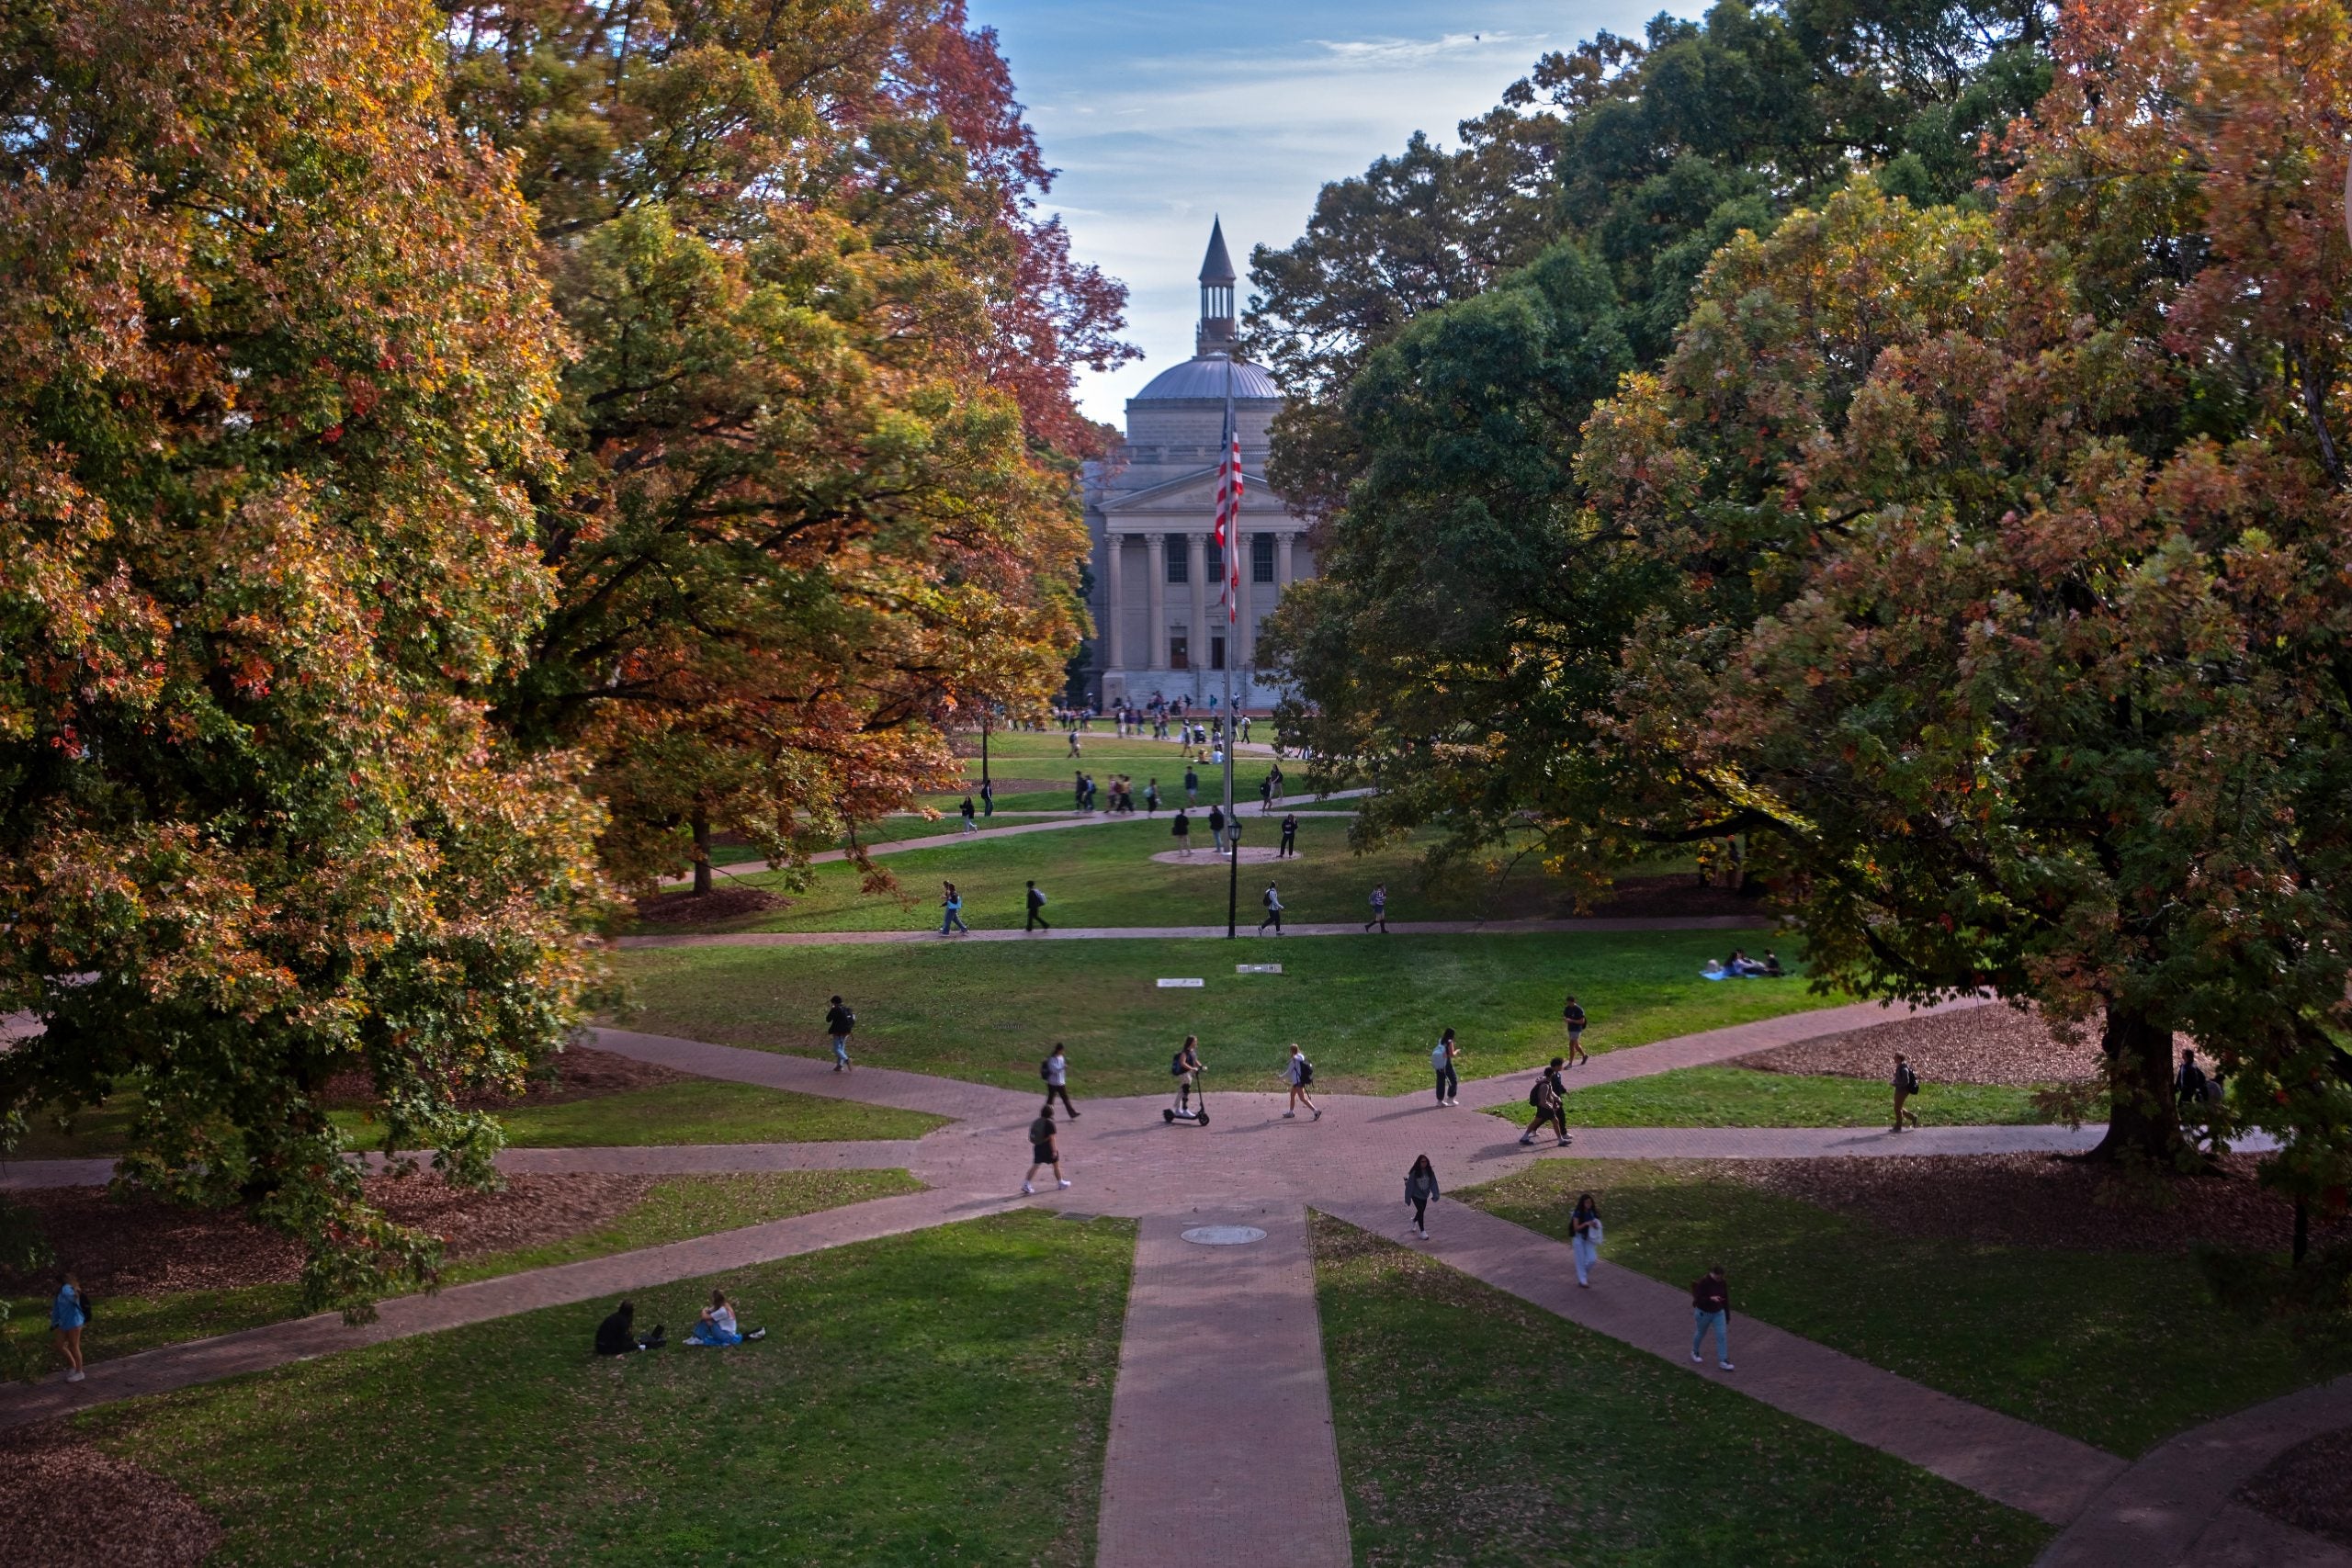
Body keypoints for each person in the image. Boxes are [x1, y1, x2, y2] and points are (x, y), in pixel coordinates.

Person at [686, 1288, 765, 1347]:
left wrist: (703, 1310)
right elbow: (710, 1310)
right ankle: (696, 1337)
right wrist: (708, 1311)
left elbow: (704, 1316)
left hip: (727, 1336)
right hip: (725, 1332)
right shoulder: (724, 1305)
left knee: (707, 1320)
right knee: (708, 1319)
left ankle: (697, 1338)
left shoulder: (722, 1311)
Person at [1520, 1059, 1571, 1146]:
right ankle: (1561, 1140)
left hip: (1544, 1107)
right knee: (1555, 1121)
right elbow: (1543, 1101)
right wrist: (1551, 1107)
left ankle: (1525, 1137)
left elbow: (1551, 1093)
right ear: (1551, 1075)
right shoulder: (1545, 1086)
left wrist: (1557, 1098)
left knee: (1537, 1121)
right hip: (1545, 1107)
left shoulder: (1547, 1083)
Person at [1023, 1103, 1071, 1194]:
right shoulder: (1050, 1123)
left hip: (1038, 1146)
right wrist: (1054, 1151)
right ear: (1051, 1113)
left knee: (1035, 1165)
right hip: (1048, 1147)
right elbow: (1052, 1138)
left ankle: (1026, 1183)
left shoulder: (1037, 1121)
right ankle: (1060, 1182)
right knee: (1056, 1165)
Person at [1691, 1265, 1733, 1370]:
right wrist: (1710, 1299)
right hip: (1704, 1313)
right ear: (1713, 1274)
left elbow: (1725, 1299)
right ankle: (1695, 1351)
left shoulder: (1722, 1283)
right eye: (1718, 1277)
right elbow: (1697, 1300)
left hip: (1718, 1313)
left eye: (1721, 1278)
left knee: (1721, 1335)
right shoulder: (1704, 1282)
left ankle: (1723, 1360)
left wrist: (1727, 1315)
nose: (1719, 1280)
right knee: (1701, 1332)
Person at [50, 1269, 86, 1382]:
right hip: (63, 1323)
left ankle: (80, 1372)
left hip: (74, 1322)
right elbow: (56, 1309)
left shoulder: (66, 1289)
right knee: (59, 1344)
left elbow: (74, 1297)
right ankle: (73, 1366)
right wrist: (54, 1322)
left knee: (73, 1346)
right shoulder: (59, 1293)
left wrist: (75, 1294)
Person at [595, 1299, 664, 1355]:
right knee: (632, 1345)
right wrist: (634, 1344)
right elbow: (622, 1342)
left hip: (600, 1345)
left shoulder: (615, 1316)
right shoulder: (622, 1321)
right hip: (606, 1348)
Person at [1570, 1193, 1603, 1287]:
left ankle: (1583, 1274)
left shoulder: (1592, 1212)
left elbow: (1594, 1223)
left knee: (1592, 1259)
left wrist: (1595, 1225)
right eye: (1586, 1202)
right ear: (1582, 1203)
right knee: (1580, 1260)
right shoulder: (1578, 1213)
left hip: (1589, 1238)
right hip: (1579, 1238)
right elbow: (1576, 1228)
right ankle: (1583, 1280)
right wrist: (1586, 1224)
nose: (1589, 1204)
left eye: (1590, 1202)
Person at [1405, 1155, 1441, 1239]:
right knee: (1420, 1210)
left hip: (1424, 1195)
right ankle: (1422, 1231)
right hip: (1415, 1195)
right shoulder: (1415, 1172)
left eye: (1425, 1161)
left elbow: (1433, 1183)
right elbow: (1409, 1186)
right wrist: (1408, 1198)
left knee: (1421, 1211)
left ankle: (1414, 1220)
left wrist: (1435, 1194)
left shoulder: (1429, 1172)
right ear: (1419, 1162)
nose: (1424, 1163)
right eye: (1422, 1162)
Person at [1283, 1044, 1321, 1121]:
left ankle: (1316, 1111)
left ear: (1291, 1051)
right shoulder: (1301, 1057)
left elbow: (1288, 1072)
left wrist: (1280, 1077)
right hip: (1299, 1081)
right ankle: (1291, 1112)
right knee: (1292, 1095)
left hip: (1297, 1082)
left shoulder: (1294, 1060)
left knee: (1302, 1098)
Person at [1043, 1043, 1078, 1117]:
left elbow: (1062, 1071)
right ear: (1059, 1050)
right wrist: (1063, 1067)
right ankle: (1047, 1114)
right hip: (1052, 1083)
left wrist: (1063, 1077)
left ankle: (1072, 1113)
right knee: (1050, 1100)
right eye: (1062, 1050)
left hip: (1061, 1083)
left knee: (1065, 1098)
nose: (1063, 1051)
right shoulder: (1052, 1059)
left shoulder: (1061, 1057)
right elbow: (1054, 1070)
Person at [1172, 1034, 1204, 1114]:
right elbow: (1182, 1063)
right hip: (1184, 1074)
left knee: (1182, 1091)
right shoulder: (1185, 1052)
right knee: (1185, 1090)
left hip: (1189, 1074)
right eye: (1195, 1041)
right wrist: (1192, 1068)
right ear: (1190, 1042)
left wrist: (1201, 1066)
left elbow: (1195, 1060)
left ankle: (1177, 1109)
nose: (1196, 1043)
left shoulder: (1192, 1051)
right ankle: (1184, 1109)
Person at [824, 994, 855, 1072]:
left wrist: (832, 1010)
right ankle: (839, 1066)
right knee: (841, 1048)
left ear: (834, 1002)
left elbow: (828, 1019)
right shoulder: (846, 1009)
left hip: (838, 1032)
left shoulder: (835, 1009)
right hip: (847, 1031)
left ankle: (847, 1060)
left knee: (836, 1049)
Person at [1892, 1052, 1922, 1132]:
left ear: (1899, 1058)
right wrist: (1895, 1081)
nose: (1893, 1058)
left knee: (1897, 1108)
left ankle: (1898, 1127)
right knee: (1898, 1107)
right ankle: (1913, 1117)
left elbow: (1906, 1082)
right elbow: (1900, 1078)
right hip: (1899, 1089)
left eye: (1895, 1057)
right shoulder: (1899, 1066)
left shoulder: (1904, 1069)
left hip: (1903, 1091)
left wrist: (1896, 1084)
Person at [1431, 1028, 1460, 1106]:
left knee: (1440, 1081)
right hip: (1446, 1063)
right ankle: (1451, 1098)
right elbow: (1451, 1054)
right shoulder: (1450, 1042)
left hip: (1439, 1063)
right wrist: (1457, 1051)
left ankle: (1439, 1101)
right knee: (1453, 1080)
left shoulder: (1441, 1040)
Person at [1562, 995, 1589, 1066]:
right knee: (1576, 1045)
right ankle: (1584, 1055)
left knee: (1571, 1045)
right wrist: (1565, 1019)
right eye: (1567, 1002)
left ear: (1573, 1002)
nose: (1568, 1004)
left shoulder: (1579, 1009)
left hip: (1577, 1029)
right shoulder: (1567, 1008)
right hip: (1570, 1029)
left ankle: (1570, 1063)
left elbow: (1582, 1021)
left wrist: (1571, 1020)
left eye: (1569, 1003)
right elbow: (1565, 1015)